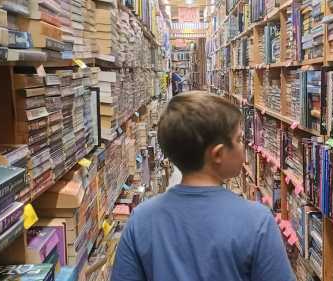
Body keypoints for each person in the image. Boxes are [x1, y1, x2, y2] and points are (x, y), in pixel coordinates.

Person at [111, 94, 295, 281]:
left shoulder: (141, 220)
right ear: (218, 154)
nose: (244, 144)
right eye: (239, 139)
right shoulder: (257, 222)